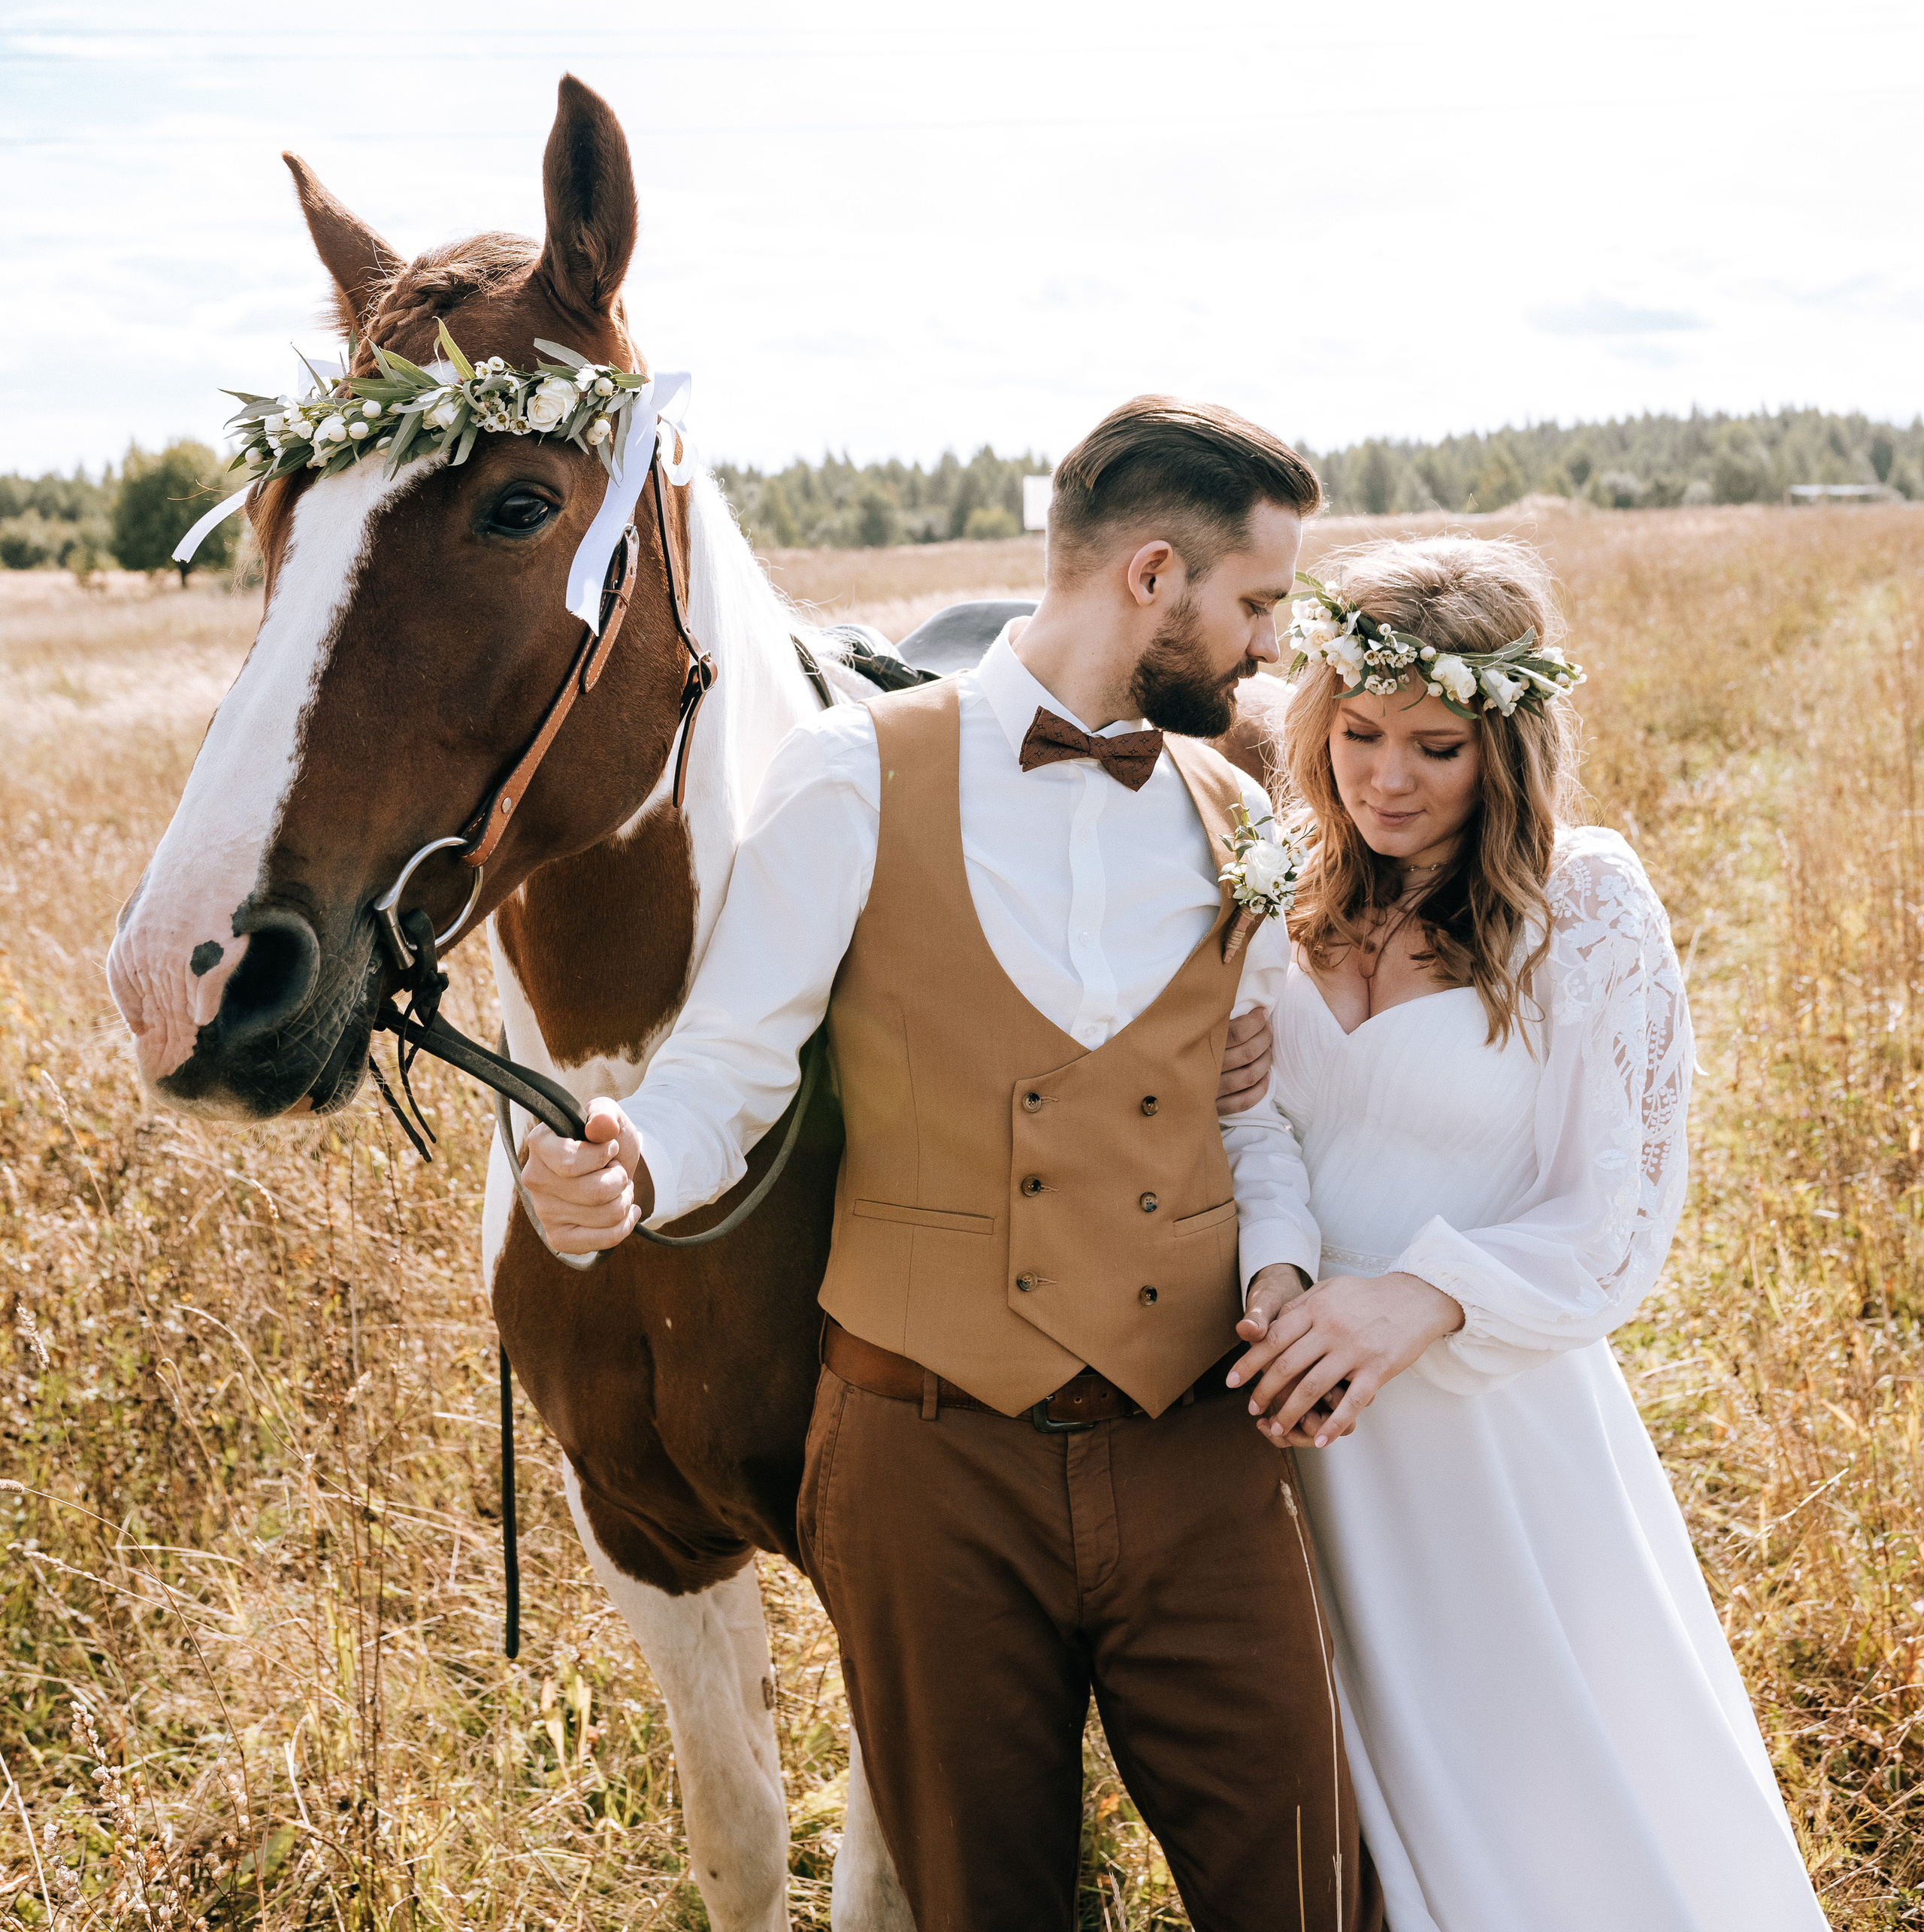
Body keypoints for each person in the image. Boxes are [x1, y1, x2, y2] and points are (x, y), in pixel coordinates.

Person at [522, 396, 1379, 1932]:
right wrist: (629, 1167)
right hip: (928, 1470)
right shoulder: (850, 775)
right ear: (1153, 577)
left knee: (1307, 1888)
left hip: (1195, 1445)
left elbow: (1244, 1112)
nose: (1268, 650)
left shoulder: (1237, 813)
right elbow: (729, 1067)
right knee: (978, 1905)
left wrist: (1280, 1274)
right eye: (1256, 604)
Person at [1226, 534, 1829, 1932]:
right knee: (1360, 1784)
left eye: (1435, 748)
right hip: (1303, 1401)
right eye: (1359, 735)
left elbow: (1615, 1215)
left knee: (1551, 1766)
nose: (1387, 778)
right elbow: (1254, 1122)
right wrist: (1283, 1277)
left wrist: (1414, 1299)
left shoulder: (1585, 902)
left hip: (1489, 1415)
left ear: (1504, 745)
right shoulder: (1279, 885)